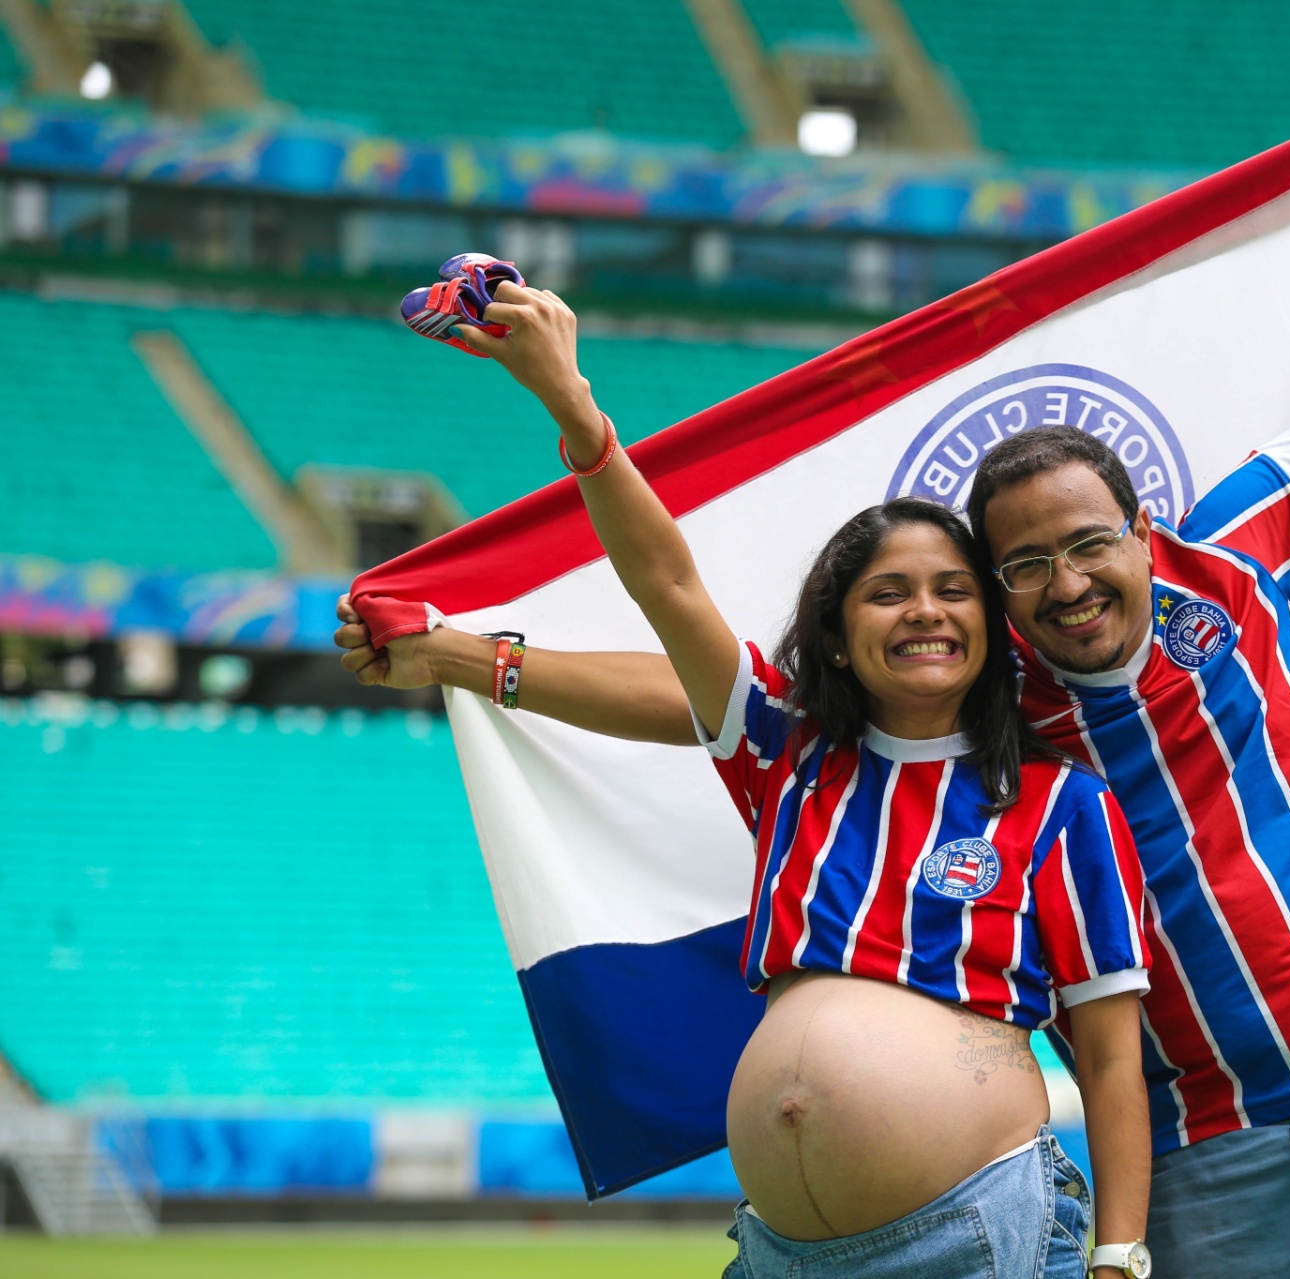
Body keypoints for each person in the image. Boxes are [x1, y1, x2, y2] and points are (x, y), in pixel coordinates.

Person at [341, 41, 1290, 1277]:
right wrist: (468, 656)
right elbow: (706, 681)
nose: (1069, 580)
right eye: (1025, 566)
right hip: (1206, 1145)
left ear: (1145, 529)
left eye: (1092, 544)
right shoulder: (992, 704)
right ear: (997, 596)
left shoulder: (1245, 552)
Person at [391, 281, 1157, 1278]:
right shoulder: (786, 755)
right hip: (777, 1249)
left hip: (980, 1233)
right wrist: (573, 411)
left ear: (994, 626)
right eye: (888, 593)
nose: (923, 611)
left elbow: (1107, 1055)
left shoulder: (1065, 806)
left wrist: (1122, 1254)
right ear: (836, 640)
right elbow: (665, 583)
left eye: (951, 589)